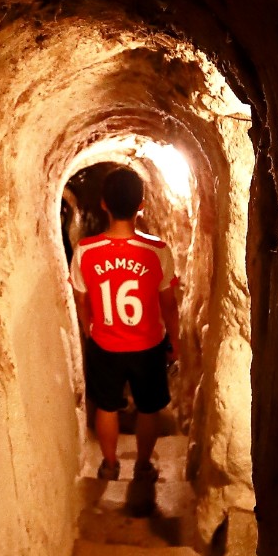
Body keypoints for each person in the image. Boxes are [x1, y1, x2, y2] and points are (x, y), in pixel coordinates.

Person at [68, 165, 181, 513]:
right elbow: (168, 304)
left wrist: (90, 329)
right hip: (147, 343)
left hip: (105, 343)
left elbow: (81, 298)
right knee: (149, 408)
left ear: (103, 204)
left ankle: (110, 463)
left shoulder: (86, 251)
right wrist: (174, 342)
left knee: (107, 405)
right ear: (142, 205)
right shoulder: (158, 250)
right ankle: (143, 466)